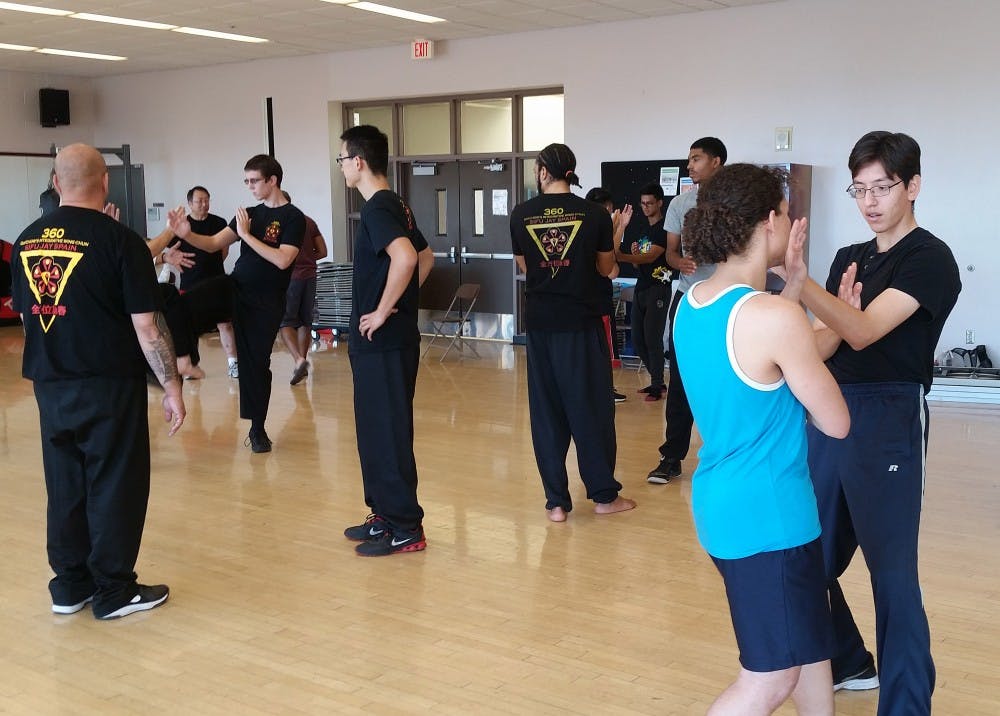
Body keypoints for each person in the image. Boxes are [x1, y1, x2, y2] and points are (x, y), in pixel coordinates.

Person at [781, 131, 961, 714]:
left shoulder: (930, 259)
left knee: (892, 578)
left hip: (889, 414)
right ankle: (851, 660)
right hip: (830, 410)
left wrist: (798, 282)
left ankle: (907, 704)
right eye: (860, 189)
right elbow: (830, 342)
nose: (870, 201)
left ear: (912, 186)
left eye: (882, 187)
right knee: (807, 558)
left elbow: (861, 330)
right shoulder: (848, 259)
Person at [673, 163, 849, 714]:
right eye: (787, 211)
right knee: (771, 676)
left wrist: (794, 285)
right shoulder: (772, 317)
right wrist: (841, 318)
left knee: (809, 642)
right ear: (770, 221)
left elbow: (769, 362)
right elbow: (835, 421)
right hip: (768, 517)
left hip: (723, 505)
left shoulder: (692, 303)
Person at [10, 143, 184, 620]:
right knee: (114, 483)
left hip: (50, 384)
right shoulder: (119, 241)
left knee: (65, 483)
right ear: (104, 181)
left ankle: (69, 586)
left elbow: (28, 320)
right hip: (108, 385)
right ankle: (113, 590)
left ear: (55, 183)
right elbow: (147, 326)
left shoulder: (26, 240)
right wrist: (172, 386)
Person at [511, 143, 636, 523]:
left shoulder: (521, 214)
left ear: (544, 171)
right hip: (582, 324)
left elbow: (524, 264)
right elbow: (606, 269)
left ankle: (556, 504)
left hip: (541, 325)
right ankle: (602, 496)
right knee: (591, 409)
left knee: (547, 412)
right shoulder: (594, 214)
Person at [337, 125, 435, 557]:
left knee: (387, 431)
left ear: (358, 162)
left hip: (384, 340)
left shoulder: (379, 208)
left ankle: (405, 526)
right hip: (384, 341)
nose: (341, 166)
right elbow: (425, 256)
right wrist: (400, 296)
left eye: (342, 158)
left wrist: (382, 308)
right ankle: (384, 514)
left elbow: (409, 257)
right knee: (375, 430)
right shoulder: (395, 204)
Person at [168, 155, 305, 453]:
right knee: (181, 304)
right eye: (246, 181)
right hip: (235, 287)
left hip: (266, 302)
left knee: (256, 365)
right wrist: (186, 234)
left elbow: (283, 259)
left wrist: (245, 236)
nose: (250, 186)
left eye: (254, 180)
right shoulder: (250, 213)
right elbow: (215, 243)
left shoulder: (294, 217)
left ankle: (257, 430)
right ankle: (186, 361)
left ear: (273, 180)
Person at [648, 136, 727, 483]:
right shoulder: (680, 203)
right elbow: (670, 253)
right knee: (680, 378)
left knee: (726, 378)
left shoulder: (734, 203)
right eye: (689, 159)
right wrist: (681, 261)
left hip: (726, 297)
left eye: (696, 158)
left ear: (717, 162)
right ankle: (671, 457)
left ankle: (724, 454)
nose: (690, 165)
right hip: (689, 296)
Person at [166, 186, 239, 379]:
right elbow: (169, 251)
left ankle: (233, 363)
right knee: (188, 325)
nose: (204, 204)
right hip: (190, 283)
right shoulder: (181, 225)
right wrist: (172, 257)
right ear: (190, 203)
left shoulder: (219, 222)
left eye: (207, 200)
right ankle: (191, 364)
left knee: (225, 325)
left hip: (216, 282)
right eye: (199, 201)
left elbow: (224, 250)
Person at [615, 182, 670, 401]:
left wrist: (623, 256)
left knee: (652, 337)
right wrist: (634, 257)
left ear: (659, 203)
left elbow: (651, 257)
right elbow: (641, 263)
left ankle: (657, 384)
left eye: (650, 203)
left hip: (659, 288)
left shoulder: (666, 229)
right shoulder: (644, 230)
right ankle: (657, 379)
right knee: (638, 339)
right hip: (642, 286)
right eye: (643, 203)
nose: (646, 207)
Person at [584, 186, 629, 403]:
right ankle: (603, 391)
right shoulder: (592, 234)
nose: (609, 213)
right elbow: (611, 269)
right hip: (596, 303)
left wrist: (619, 227)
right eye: (607, 209)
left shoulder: (589, 231)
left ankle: (601, 390)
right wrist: (618, 227)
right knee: (601, 351)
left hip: (591, 302)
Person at [279, 190, 327, 385]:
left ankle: (298, 360)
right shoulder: (308, 221)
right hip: (310, 277)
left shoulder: (278, 225)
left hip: (289, 278)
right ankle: (303, 360)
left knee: (285, 322)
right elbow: (322, 251)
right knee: (305, 321)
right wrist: (307, 259)